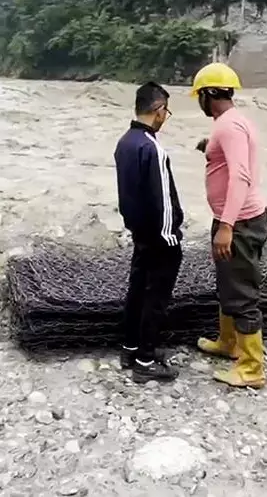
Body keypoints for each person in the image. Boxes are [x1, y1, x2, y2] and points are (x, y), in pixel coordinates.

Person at [190, 62, 267, 389]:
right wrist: (207, 150)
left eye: (199, 96)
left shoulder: (228, 127)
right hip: (234, 218)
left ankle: (252, 368)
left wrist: (226, 226)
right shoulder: (233, 123)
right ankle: (229, 343)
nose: (199, 102)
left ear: (209, 94)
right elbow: (228, 160)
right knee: (228, 283)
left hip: (239, 222)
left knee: (242, 292)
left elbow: (240, 176)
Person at [114, 82, 184, 384]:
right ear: (157, 110)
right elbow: (163, 198)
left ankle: (130, 349)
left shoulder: (124, 143)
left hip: (139, 232)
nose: (165, 116)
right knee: (156, 298)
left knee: (137, 291)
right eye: (166, 110)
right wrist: (171, 236)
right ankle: (145, 360)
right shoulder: (150, 147)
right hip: (159, 236)